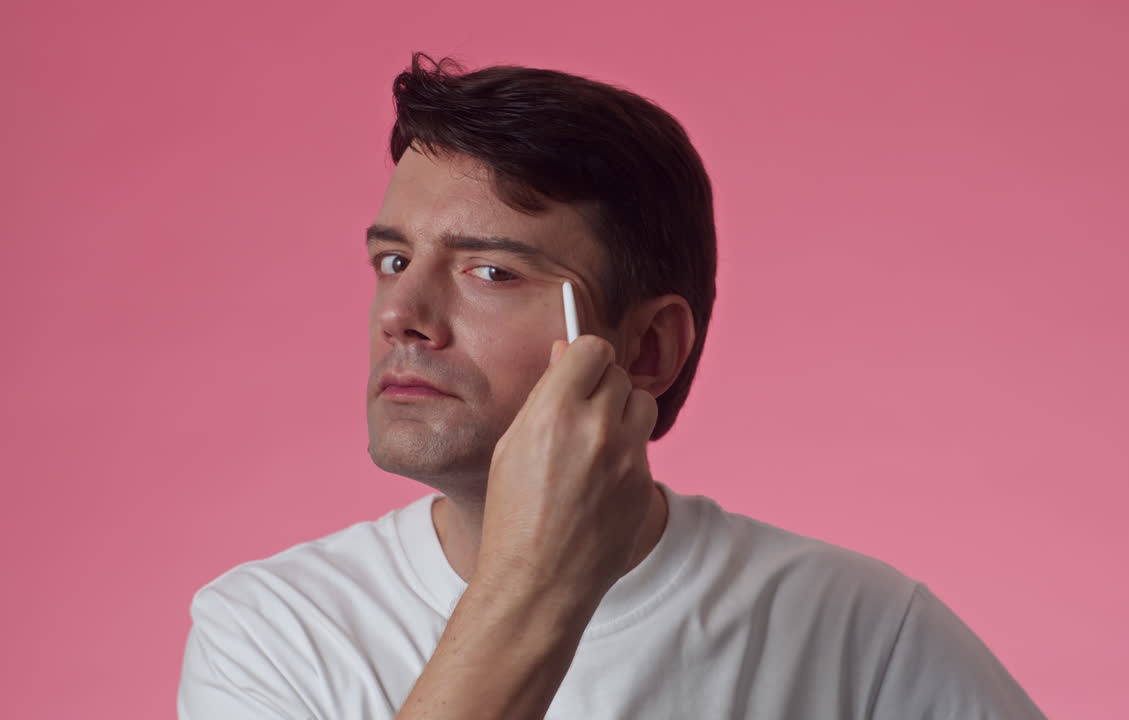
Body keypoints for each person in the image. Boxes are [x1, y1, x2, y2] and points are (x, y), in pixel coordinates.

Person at [177, 52, 1046, 720]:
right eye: (393, 260)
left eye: (490, 273)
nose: (402, 313)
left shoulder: (863, 630)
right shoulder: (273, 628)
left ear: (647, 349)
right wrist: (532, 584)